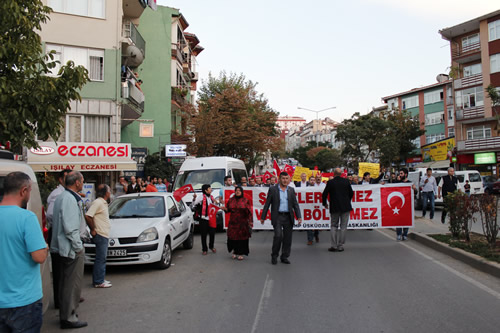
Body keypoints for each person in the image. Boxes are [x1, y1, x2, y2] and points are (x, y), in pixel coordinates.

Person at [0, 172, 48, 332]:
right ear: (23, 191)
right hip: (24, 301)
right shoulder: (26, 218)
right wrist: (45, 248)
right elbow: (39, 256)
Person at [51, 171, 88, 329]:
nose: (82, 183)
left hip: (63, 247)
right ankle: (69, 317)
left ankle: (67, 314)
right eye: (82, 181)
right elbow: (70, 228)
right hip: (71, 249)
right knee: (72, 285)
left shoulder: (62, 196)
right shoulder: (69, 199)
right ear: (78, 183)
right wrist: (78, 247)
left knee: (66, 283)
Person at [260, 172, 302, 265]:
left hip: (288, 217)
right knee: (278, 236)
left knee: (287, 238)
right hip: (277, 216)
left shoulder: (291, 190)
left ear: (289, 179)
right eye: (283, 178)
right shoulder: (273, 189)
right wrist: (263, 217)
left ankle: (284, 256)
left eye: (287, 178)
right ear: (279, 179)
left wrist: (299, 216)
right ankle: (274, 255)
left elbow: (295, 204)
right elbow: (267, 204)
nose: (285, 180)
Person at [46, 168, 71, 309]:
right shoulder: (57, 194)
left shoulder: (65, 193)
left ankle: (66, 297)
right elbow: (50, 214)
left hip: (62, 233)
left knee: (66, 268)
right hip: (57, 233)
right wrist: (61, 223)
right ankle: (60, 301)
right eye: (68, 177)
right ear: (61, 179)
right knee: (60, 269)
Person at [84, 185, 112, 288]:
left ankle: (100, 278)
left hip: (103, 234)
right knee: (100, 258)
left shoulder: (103, 203)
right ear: (105, 193)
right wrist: (93, 229)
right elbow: (88, 216)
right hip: (100, 234)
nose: (110, 193)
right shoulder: (98, 202)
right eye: (109, 191)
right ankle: (98, 281)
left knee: (102, 258)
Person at [322, 168, 354, 252]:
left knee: (333, 226)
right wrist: (347, 200)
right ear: (341, 174)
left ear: (334, 174)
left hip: (335, 207)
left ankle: (333, 245)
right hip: (345, 207)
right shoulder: (346, 181)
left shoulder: (330, 182)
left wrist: (324, 203)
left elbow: (324, 194)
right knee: (343, 226)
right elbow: (351, 193)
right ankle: (340, 245)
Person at [221, 186, 252, 260]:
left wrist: (250, 221)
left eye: (239, 190)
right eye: (236, 190)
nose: (237, 192)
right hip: (233, 222)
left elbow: (249, 212)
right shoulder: (231, 200)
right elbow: (228, 209)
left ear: (241, 192)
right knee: (233, 237)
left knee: (242, 238)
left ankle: (241, 253)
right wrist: (224, 209)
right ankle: (234, 251)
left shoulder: (245, 200)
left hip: (242, 222)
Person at [193, 185, 216, 255]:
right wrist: (194, 199)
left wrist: (216, 202)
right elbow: (194, 204)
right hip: (203, 218)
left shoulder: (212, 197)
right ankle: (204, 249)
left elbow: (214, 205)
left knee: (212, 233)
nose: (211, 189)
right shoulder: (201, 197)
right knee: (204, 234)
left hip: (211, 217)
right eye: (209, 188)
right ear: (206, 190)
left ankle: (211, 246)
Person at [396, 168, 416, 241]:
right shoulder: (397, 183)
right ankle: (398, 234)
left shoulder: (410, 183)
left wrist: (414, 189)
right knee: (398, 220)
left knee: (406, 221)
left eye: (401, 173)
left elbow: (415, 194)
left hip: (407, 205)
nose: (400, 175)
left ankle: (405, 234)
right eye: (399, 174)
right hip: (398, 206)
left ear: (406, 174)